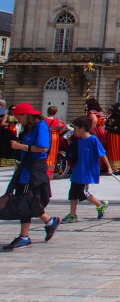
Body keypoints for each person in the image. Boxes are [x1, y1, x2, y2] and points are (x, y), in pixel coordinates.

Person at [3, 103, 60, 250]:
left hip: (34, 167)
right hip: (26, 166)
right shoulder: (28, 127)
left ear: (27, 115)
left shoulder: (41, 126)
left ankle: (25, 236)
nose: (18, 120)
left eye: (19, 117)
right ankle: (49, 222)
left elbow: (43, 147)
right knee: (27, 198)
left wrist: (20, 146)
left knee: (26, 199)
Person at [62, 116, 112, 223]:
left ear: (82, 128)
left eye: (75, 128)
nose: (74, 130)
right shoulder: (78, 140)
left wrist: (108, 167)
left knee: (82, 192)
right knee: (73, 192)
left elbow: (102, 153)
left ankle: (100, 205)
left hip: (87, 170)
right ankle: (72, 214)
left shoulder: (93, 139)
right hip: (78, 170)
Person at [44, 106, 67, 178]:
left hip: (46, 136)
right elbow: (62, 129)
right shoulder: (58, 121)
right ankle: (50, 174)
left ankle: (44, 171)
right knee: (53, 154)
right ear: (55, 112)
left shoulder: (43, 120)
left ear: (47, 111)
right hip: (54, 138)